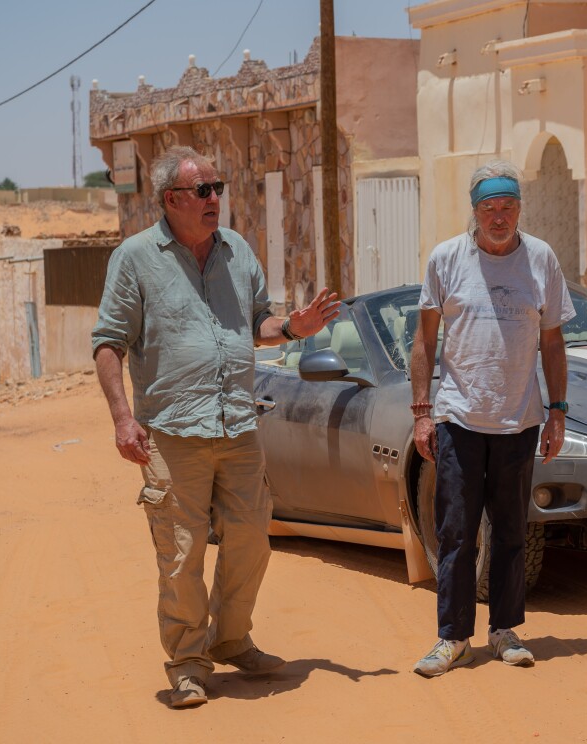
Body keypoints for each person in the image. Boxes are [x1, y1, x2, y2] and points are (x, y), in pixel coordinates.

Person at [92, 146, 340, 708]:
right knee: (181, 554)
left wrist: (293, 327)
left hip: (237, 423)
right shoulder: (135, 258)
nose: (214, 200)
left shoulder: (237, 252)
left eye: (217, 188)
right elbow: (108, 341)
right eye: (202, 191)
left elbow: (260, 322)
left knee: (252, 538)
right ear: (171, 200)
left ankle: (230, 639)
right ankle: (187, 663)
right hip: (172, 430)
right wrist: (122, 418)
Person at [408, 160, 575, 677]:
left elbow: (553, 341)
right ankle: (453, 638)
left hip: (519, 421)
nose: (499, 217)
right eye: (489, 208)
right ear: (474, 211)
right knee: (456, 532)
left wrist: (557, 412)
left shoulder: (542, 259)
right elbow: (425, 341)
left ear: (519, 209)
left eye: (507, 207)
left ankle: (504, 631)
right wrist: (421, 412)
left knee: (509, 532)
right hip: (459, 418)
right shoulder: (446, 259)